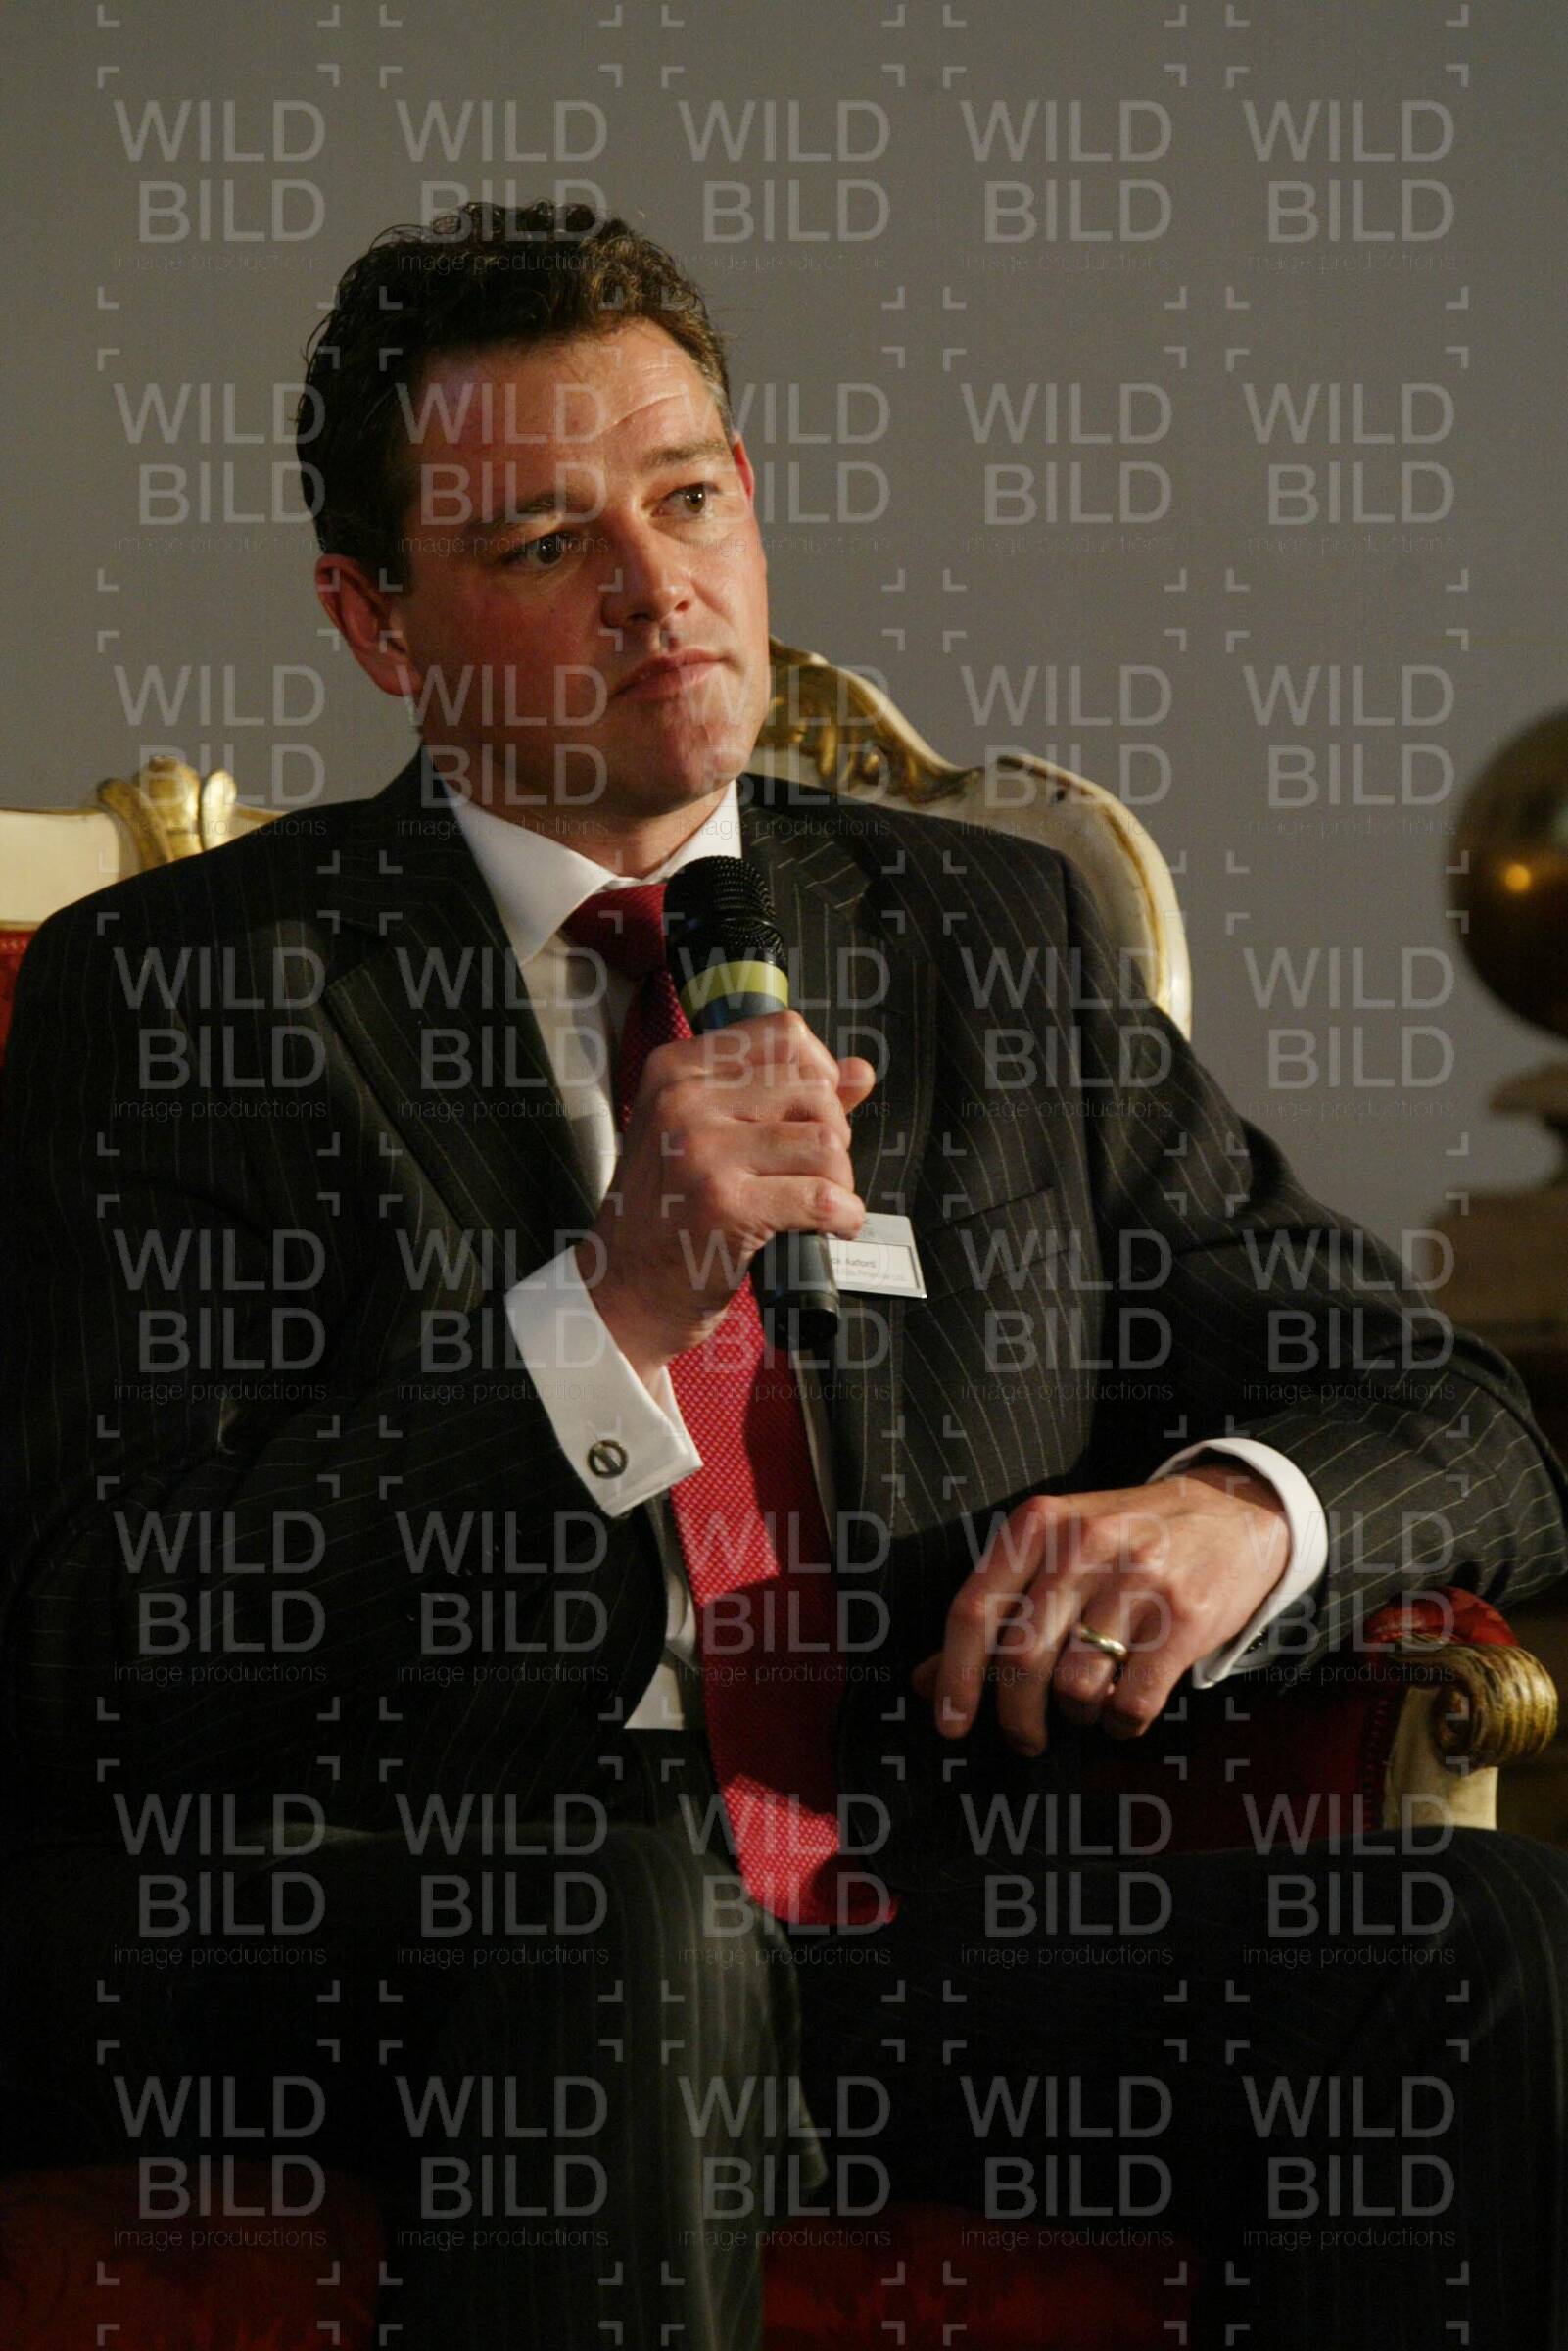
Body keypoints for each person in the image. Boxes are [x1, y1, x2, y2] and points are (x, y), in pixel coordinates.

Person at [2, 198, 1565, 2349]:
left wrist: (1236, 1516)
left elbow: (1469, 1426)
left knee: (1484, 1935)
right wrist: (605, 1316)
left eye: (688, 498)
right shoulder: (183, 990)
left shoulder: (986, 942)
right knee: (628, 1921)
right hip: (424, 1955)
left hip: (916, 1942)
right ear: (377, 620)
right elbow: (94, 1631)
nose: (658, 590)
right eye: (543, 542)